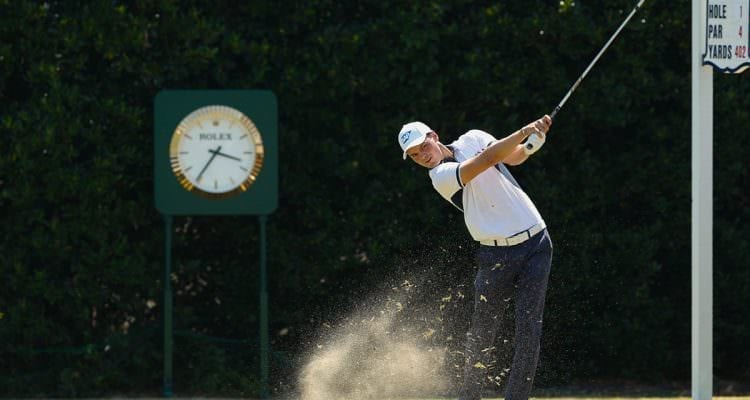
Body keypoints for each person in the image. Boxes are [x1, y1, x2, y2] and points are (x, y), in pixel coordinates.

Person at [397, 115, 554, 400]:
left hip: (537, 241)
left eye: (423, 147)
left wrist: (531, 144)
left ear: (434, 135)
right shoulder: (440, 177)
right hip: (495, 254)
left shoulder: (473, 137)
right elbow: (485, 161)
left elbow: (513, 157)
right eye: (414, 155)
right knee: (483, 332)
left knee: (529, 329)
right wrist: (524, 130)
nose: (422, 156)